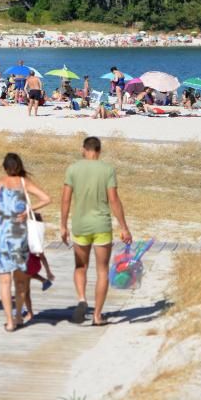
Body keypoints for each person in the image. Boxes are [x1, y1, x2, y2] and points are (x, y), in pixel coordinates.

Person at [61, 137, 131, 326]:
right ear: (99, 151)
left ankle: (82, 299)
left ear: (84, 149)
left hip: (80, 225)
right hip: (101, 225)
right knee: (102, 271)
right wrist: (123, 227)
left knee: (80, 267)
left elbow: (66, 199)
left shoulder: (73, 169)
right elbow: (114, 200)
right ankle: (97, 316)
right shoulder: (107, 170)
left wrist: (62, 225)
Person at [0, 153, 50, 332]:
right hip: (19, 234)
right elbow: (46, 198)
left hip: (1, 234)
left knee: (4, 280)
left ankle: (9, 321)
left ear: (4, 167)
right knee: (21, 281)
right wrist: (28, 210)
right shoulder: (24, 183)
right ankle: (18, 317)